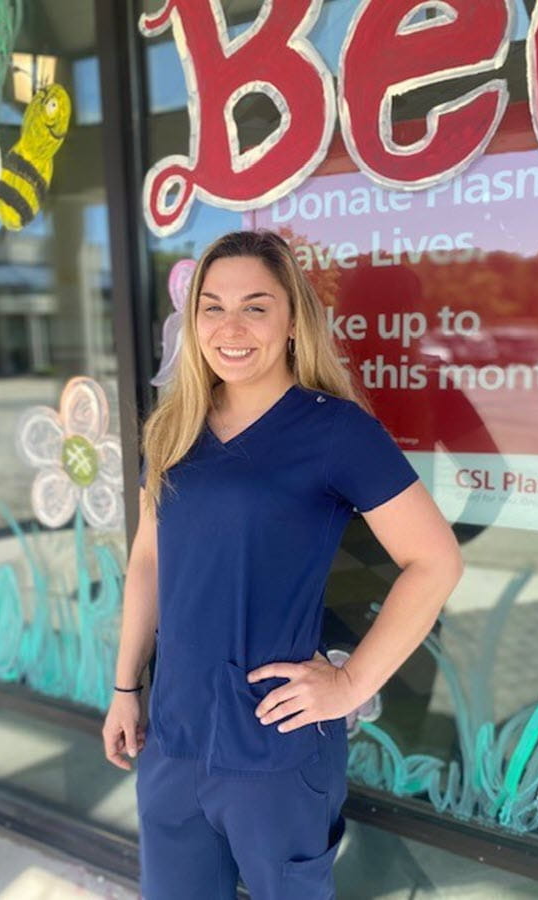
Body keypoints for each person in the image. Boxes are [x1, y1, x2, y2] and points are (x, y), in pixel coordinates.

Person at [102, 230, 464, 899]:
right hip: (174, 738)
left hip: (273, 746)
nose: (230, 327)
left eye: (255, 307)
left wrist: (352, 684)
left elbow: (435, 560)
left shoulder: (336, 431)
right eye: (211, 307)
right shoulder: (176, 425)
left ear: (293, 320)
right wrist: (126, 688)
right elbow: (149, 559)